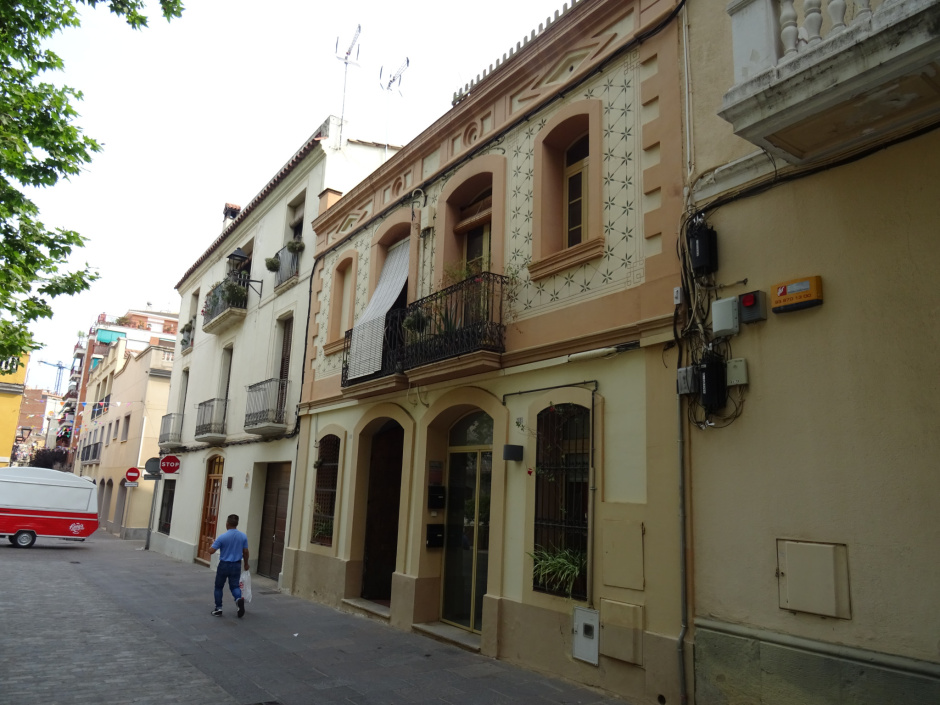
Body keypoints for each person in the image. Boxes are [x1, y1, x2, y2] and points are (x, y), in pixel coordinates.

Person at [208, 513, 249, 618]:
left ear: (227, 523)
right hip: (236, 564)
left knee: (218, 587)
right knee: (235, 586)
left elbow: (211, 551)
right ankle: (238, 600)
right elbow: (245, 552)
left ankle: (218, 609)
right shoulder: (243, 536)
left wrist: (211, 543)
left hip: (224, 564)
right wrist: (246, 564)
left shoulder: (222, 537)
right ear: (237, 524)